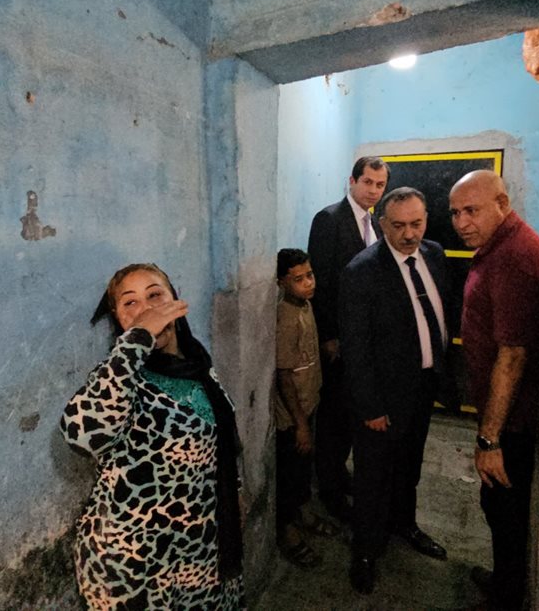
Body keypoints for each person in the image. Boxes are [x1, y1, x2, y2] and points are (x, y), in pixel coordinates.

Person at [61, 263, 243, 610]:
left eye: (155, 295)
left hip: (199, 550)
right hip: (135, 562)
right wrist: (138, 339)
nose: (145, 309)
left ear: (175, 302)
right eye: (130, 303)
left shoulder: (199, 366)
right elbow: (81, 435)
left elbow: (221, 443)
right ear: (119, 319)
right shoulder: (118, 380)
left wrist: (234, 496)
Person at [339, 187, 451, 594]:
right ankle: (366, 550)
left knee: (409, 465)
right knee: (373, 477)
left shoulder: (434, 254)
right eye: (399, 225)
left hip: (423, 387)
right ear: (382, 223)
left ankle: (405, 524)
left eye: (416, 224)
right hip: (382, 397)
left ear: (426, 220)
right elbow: (356, 348)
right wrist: (370, 406)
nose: (409, 234)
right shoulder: (362, 271)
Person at [449, 171, 539, 610]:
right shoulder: (498, 247)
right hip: (509, 415)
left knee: (505, 511)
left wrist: (489, 440)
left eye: (471, 210)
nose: (461, 222)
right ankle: (506, 582)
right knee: (500, 509)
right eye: (455, 213)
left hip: (512, 422)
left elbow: (512, 357)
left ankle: (506, 599)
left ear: (502, 204)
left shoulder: (513, 257)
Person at [306, 156, 388, 521]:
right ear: (352, 181)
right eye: (367, 182)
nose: (373, 190)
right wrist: (329, 336)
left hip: (365, 340)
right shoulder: (329, 219)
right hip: (339, 339)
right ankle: (330, 489)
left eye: (380, 185)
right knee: (335, 418)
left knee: (354, 413)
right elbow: (321, 283)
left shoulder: (376, 223)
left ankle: (341, 475)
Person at [272, 248, 339, 568]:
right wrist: (299, 424)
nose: (308, 283)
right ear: (281, 283)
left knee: (302, 469)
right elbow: (284, 375)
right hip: (292, 416)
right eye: (298, 279)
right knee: (290, 472)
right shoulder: (286, 317)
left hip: (308, 403)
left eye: (309, 275)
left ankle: (304, 513)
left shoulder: (306, 305)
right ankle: (288, 532)